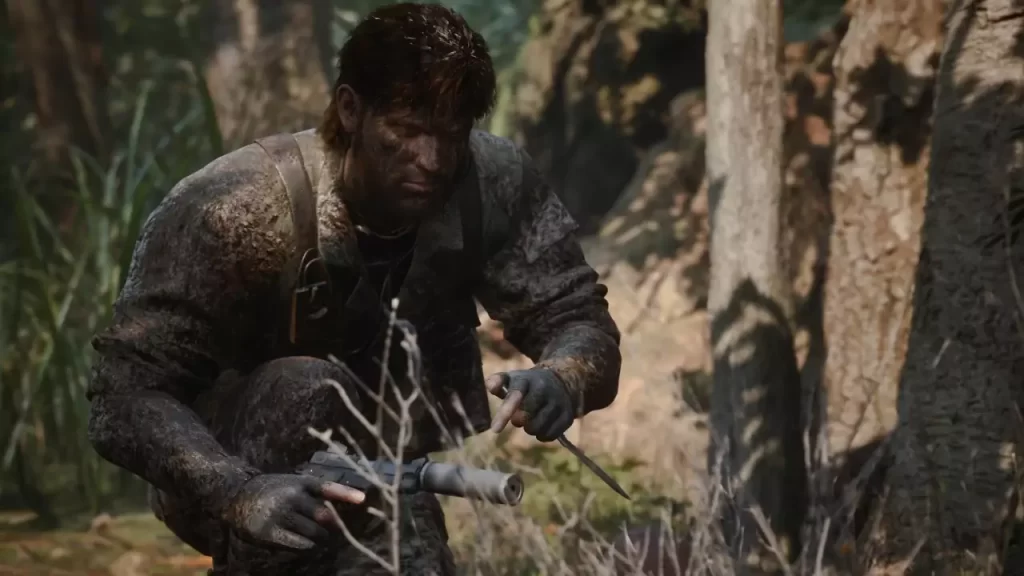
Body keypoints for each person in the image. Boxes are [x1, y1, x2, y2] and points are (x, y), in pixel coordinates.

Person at [86, 3, 621, 575]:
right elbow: (122, 397)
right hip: (230, 470)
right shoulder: (236, 207)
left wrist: (564, 376)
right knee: (303, 390)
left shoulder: (493, 182)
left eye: (450, 134)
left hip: (391, 466)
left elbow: (576, 316)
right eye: (406, 132)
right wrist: (236, 491)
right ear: (350, 110)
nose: (432, 159)